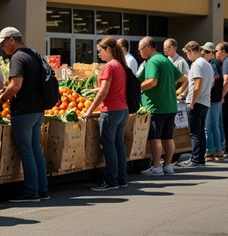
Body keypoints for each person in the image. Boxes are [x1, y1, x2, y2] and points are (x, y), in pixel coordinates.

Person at [0, 27, 49, 202]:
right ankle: (43, 190)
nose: (2, 48)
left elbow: (15, 85)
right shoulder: (33, 54)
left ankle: (31, 192)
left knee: (26, 151)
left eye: (3, 44)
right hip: (38, 110)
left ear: (12, 40)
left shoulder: (17, 58)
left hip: (23, 111)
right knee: (35, 150)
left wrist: (2, 98)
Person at [82, 37, 129, 191]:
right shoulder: (120, 65)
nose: (98, 54)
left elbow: (103, 92)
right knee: (118, 145)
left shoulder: (109, 66)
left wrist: (89, 111)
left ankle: (111, 181)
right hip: (122, 110)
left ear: (108, 49)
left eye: (100, 51)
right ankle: (122, 179)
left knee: (108, 146)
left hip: (111, 111)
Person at [137, 36, 187, 176]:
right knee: (168, 137)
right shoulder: (166, 60)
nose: (139, 52)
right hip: (170, 106)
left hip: (156, 107)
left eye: (140, 49)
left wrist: (137, 88)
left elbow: (152, 82)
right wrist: (177, 93)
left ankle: (157, 166)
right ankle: (168, 166)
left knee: (155, 138)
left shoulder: (152, 61)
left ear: (148, 48)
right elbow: (184, 80)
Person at [176, 41, 213, 167]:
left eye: (187, 53)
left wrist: (192, 101)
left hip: (197, 102)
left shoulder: (197, 64)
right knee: (200, 132)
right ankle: (199, 159)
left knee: (195, 133)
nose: (186, 55)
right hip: (205, 101)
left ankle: (195, 160)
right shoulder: (206, 64)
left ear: (192, 51)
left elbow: (198, 84)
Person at [201, 42, 224, 161]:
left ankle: (210, 151)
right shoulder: (215, 62)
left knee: (209, 127)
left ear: (210, 53)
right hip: (216, 98)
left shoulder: (212, 63)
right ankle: (218, 150)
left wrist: (205, 90)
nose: (203, 54)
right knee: (215, 126)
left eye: (205, 52)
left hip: (212, 99)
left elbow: (214, 80)